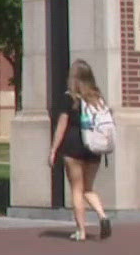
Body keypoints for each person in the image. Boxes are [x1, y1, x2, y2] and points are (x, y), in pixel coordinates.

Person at [48, 60, 113, 241]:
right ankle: (102, 215)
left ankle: (81, 231)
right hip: (94, 148)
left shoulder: (70, 98)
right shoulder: (97, 98)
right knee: (88, 188)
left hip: (73, 147)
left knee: (77, 189)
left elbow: (62, 126)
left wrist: (53, 149)